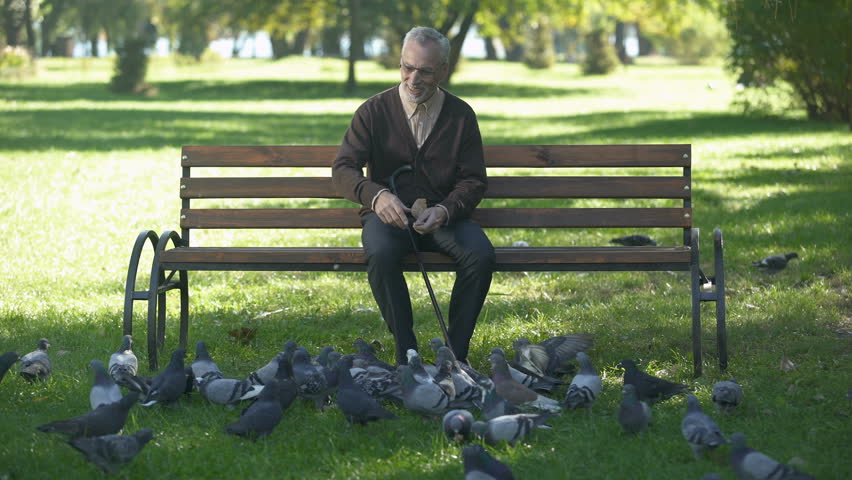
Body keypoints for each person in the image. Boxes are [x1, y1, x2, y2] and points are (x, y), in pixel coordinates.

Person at [332, 26, 494, 365]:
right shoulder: (373, 111)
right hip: (389, 218)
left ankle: (455, 357)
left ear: (443, 71)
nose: (413, 78)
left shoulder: (461, 115)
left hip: (444, 219)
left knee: (480, 255)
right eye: (407, 67)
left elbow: (474, 181)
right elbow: (344, 169)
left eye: (425, 70)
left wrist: (446, 210)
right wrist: (377, 197)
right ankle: (407, 353)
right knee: (379, 252)